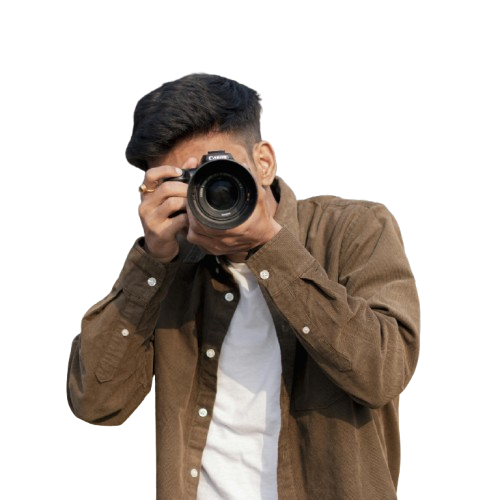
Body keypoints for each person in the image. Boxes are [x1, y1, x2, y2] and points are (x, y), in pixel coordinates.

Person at [67, 72, 420, 499]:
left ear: (264, 162)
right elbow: (96, 403)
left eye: (218, 169)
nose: (210, 189)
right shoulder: (168, 267)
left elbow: (382, 373)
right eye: (184, 180)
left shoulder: (354, 229)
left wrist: (270, 247)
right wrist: (151, 261)